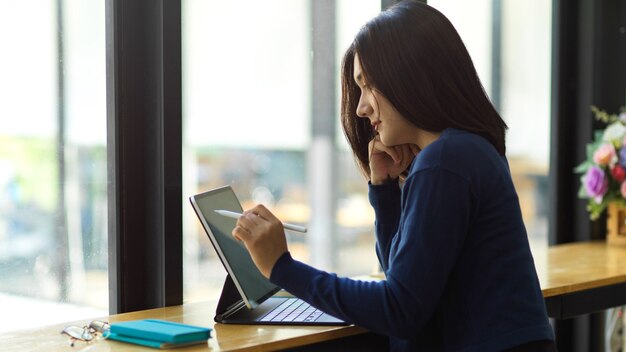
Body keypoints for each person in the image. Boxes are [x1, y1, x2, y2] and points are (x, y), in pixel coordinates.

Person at [231, 1, 556, 351]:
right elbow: (404, 282)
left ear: (410, 76)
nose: (360, 106)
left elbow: (399, 310)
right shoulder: (462, 151)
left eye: (368, 85)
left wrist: (281, 267)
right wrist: (384, 192)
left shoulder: (445, 161)